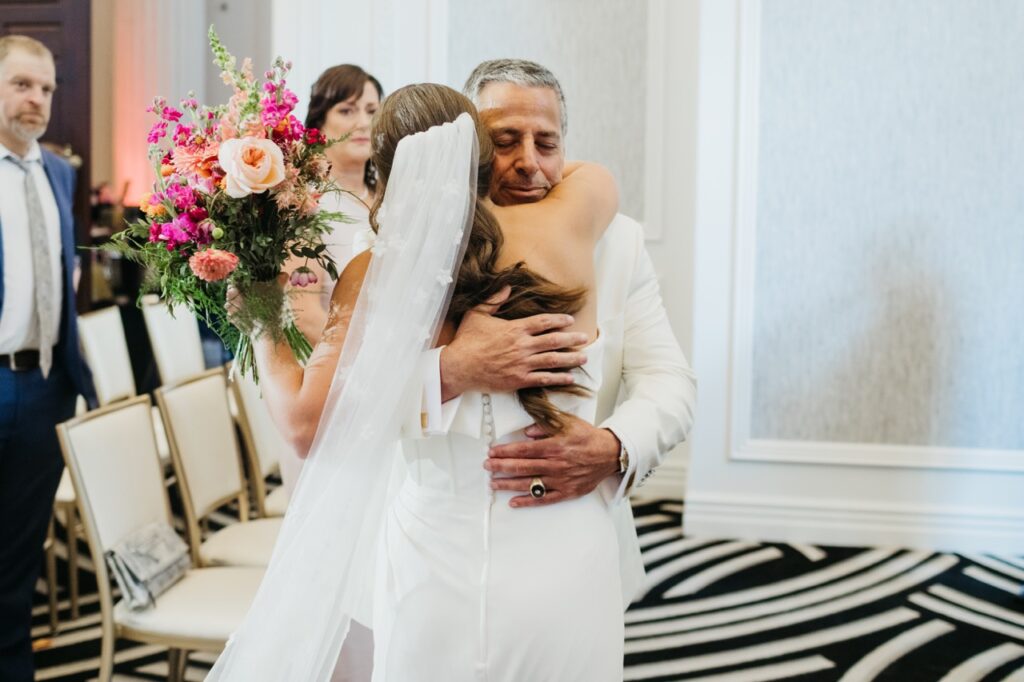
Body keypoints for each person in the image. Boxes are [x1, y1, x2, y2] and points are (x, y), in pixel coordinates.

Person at [210, 84, 622, 681]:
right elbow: (592, 175)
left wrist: (261, 322)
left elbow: (305, 426)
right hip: (565, 551)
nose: (528, 160)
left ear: (380, 168)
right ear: (485, 161)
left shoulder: (375, 274)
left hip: (435, 559)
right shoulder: (570, 226)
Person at [420, 59, 697, 606]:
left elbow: (670, 379)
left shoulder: (620, 242)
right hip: (434, 556)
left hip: (574, 547)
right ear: (469, 147)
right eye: (505, 141)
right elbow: (347, 401)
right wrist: (450, 372)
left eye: (546, 143)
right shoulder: (418, 243)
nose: (529, 163)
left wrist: (612, 446)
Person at [0, 35, 95, 682]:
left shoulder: (60, 171)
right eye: (22, 85)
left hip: (44, 387)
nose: (38, 100)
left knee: (19, 555)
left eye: (46, 89)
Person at [287, 64, 383, 344]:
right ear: (319, 122)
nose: (363, 123)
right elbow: (304, 316)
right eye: (347, 110)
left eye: (372, 111)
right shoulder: (306, 204)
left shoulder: (392, 196)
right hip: (340, 369)